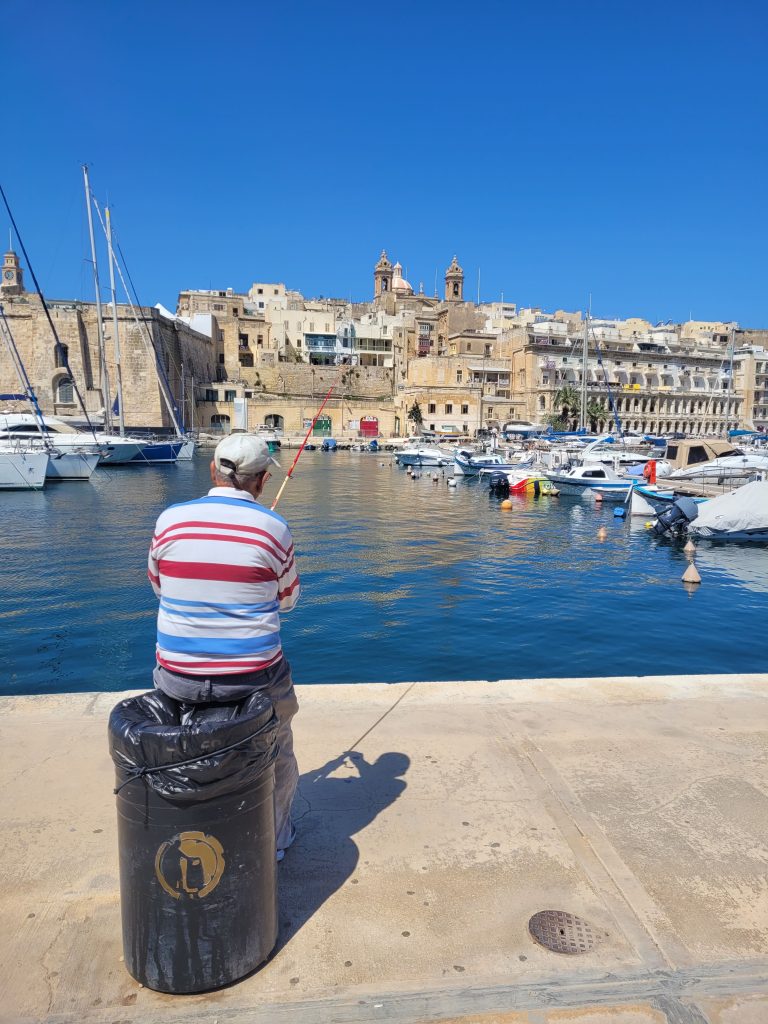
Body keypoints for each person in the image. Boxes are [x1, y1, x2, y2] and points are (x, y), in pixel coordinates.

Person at [147, 434, 301, 860]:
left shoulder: (169, 520)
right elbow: (287, 601)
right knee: (278, 748)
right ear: (262, 482)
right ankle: (274, 841)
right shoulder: (274, 529)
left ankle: (190, 828)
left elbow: (158, 587)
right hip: (254, 679)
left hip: (177, 676)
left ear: (212, 470)